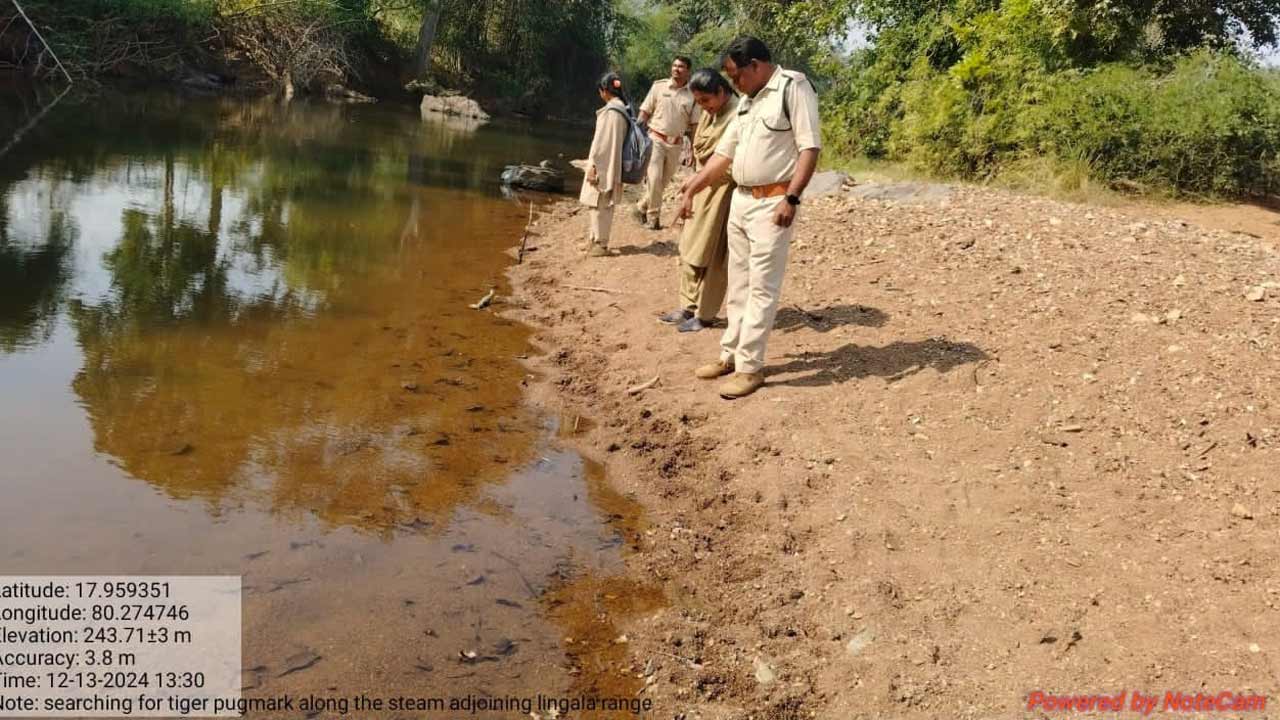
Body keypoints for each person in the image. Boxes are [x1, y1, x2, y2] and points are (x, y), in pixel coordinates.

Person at [678, 36, 821, 399]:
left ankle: (750, 367)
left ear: (755, 65)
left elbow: (809, 147)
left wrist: (792, 198)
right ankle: (730, 356)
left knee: (761, 287)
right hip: (741, 201)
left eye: (735, 75)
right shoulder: (747, 102)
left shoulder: (792, 88)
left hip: (773, 203)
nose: (733, 82)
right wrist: (692, 188)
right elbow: (723, 156)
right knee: (738, 284)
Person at [658, 68, 738, 334]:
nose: (703, 107)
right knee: (689, 247)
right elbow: (702, 150)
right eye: (699, 102)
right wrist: (694, 183)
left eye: (706, 100)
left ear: (721, 91)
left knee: (714, 254)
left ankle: (705, 314)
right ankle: (687, 306)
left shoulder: (738, 114)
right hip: (701, 187)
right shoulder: (708, 111)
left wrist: (698, 181)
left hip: (723, 192)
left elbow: (728, 162)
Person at [634, 56, 700, 230]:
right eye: (674, 65)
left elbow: (695, 125)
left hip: (676, 145)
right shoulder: (659, 86)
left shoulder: (693, 95)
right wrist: (635, 137)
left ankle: (641, 206)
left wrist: (694, 150)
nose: (676, 69)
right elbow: (644, 112)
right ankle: (653, 218)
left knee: (662, 183)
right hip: (655, 139)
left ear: (688, 71)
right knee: (655, 178)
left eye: (681, 66)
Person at [579, 73, 631, 257]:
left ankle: (601, 244)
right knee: (599, 202)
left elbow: (602, 144)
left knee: (600, 202)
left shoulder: (612, 112)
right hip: (612, 163)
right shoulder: (621, 109)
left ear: (604, 91)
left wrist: (593, 166)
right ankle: (594, 240)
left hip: (604, 164)